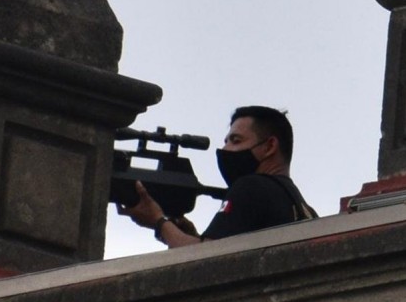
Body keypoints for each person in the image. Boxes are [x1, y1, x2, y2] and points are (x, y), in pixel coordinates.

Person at [117, 105, 318, 248]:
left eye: (236, 141)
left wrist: (158, 221)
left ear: (269, 146)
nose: (225, 150)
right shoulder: (304, 209)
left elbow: (204, 259)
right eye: (226, 141)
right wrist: (189, 236)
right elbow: (229, 254)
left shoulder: (251, 187)